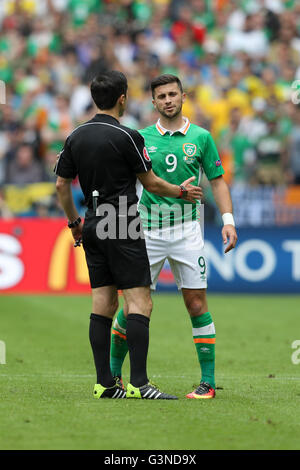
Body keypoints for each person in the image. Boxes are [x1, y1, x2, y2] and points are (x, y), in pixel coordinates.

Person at [54, 70, 202, 400]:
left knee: (102, 303)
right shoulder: (128, 136)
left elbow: (62, 185)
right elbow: (150, 183)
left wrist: (73, 222)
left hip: (92, 222)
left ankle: (105, 383)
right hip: (121, 220)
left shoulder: (76, 136)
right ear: (123, 98)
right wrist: (181, 191)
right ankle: (139, 383)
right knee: (139, 302)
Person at [110, 74, 238, 399]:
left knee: (196, 303)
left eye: (172, 94)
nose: (168, 100)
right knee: (133, 306)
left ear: (183, 96)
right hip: (146, 230)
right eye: (161, 96)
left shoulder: (201, 137)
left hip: (186, 231)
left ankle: (207, 383)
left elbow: (217, 181)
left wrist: (228, 220)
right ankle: (113, 377)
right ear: (153, 102)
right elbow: (120, 178)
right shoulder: (140, 137)